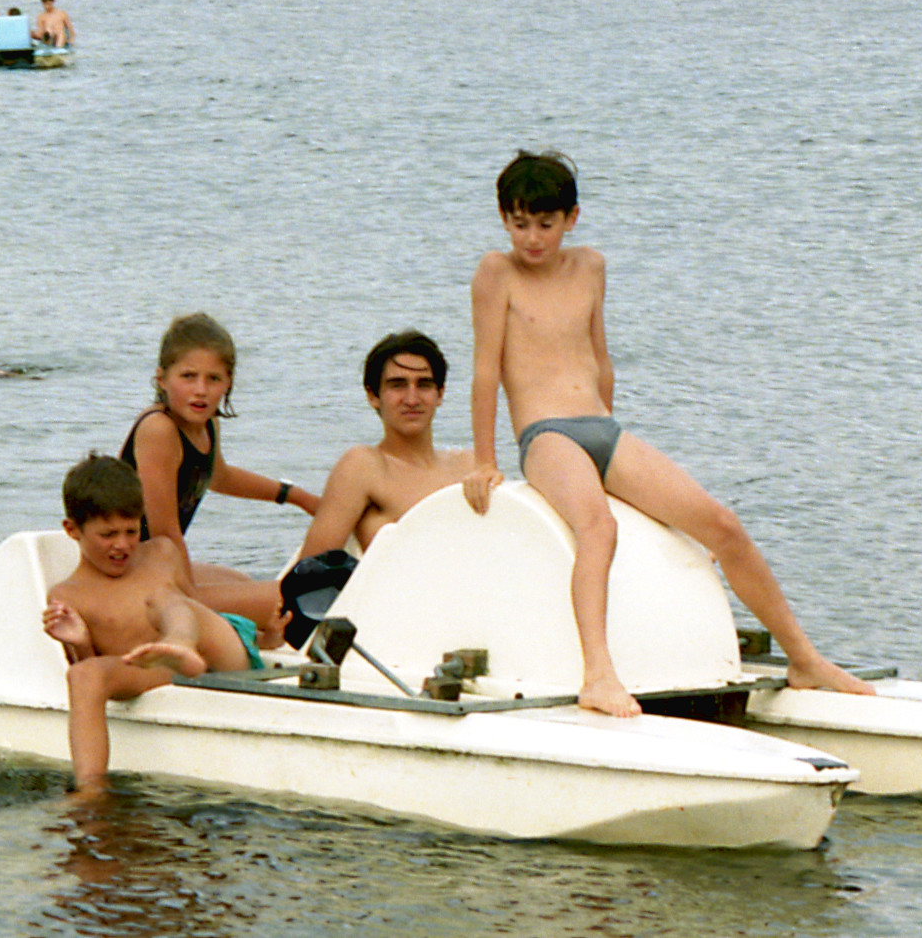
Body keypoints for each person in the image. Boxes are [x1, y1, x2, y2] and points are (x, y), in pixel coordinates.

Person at [462, 151, 874, 717]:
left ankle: (804, 659)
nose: (532, 238)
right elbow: (485, 371)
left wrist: (608, 442)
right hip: (546, 434)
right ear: (504, 220)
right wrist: (484, 461)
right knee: (598, 527)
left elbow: (601, 359)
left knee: (722, 525)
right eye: (519, 224)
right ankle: (598, 675)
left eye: (545, 224)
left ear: (572, 218)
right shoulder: (496, 273)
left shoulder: (591, 267)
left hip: (603, 430)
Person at [43, 453, 281, 799]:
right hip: (152, 669)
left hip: (213, 653)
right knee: (83, 676)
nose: (122, 544)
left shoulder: (160, 553)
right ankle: (90, 790)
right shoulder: (67, 594)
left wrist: (265, 639)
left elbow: (200, 607)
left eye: (131, 531)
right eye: (108, 534)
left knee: (163, 599)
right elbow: (94, 668)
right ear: (72, 530)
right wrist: (79, 641)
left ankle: (180, 644)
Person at [119, 312, 317, 625]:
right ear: (162, 379)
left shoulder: (206, 423)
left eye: (213, 379)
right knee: (291, 598)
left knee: (240, 580)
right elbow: (164, 534)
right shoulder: (159, 430)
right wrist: (190, 598)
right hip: (127, 574)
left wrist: (296, 496)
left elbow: (219, 476)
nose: (201, 390)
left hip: (154, 567)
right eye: (188, 376)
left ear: (228, 382)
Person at [299, 330, 474, 558]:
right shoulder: (364, 467)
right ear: (373, 396)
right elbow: (311, 569)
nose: (412, 399)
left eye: (424, 385)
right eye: (397, 385)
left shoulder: (468, 465)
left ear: (440, 394)